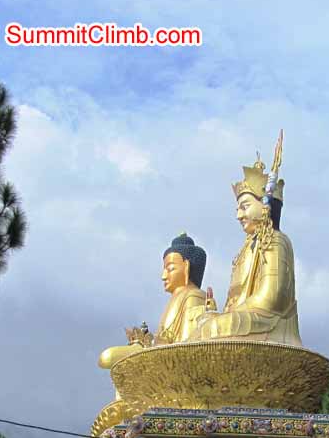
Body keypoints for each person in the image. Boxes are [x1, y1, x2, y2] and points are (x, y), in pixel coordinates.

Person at [194, 132, 302, 347]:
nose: (239, 215)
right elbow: (236, 299)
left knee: (215, 327)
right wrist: (217, 310)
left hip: (269, 322)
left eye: (244, 207)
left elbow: (271, 298)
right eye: (237, 209)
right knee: (204, 322)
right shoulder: (245, 251)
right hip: (245, 318)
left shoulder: (275, 241)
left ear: (265, 207)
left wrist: (228, 316)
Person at [99, 233, 214, 369]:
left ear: (187, 268)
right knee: (108, 357)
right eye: (164, 269)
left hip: (176, 360)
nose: (163, 276)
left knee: (109, 356)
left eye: (170, 269)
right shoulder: (176, 298)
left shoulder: (193, 296)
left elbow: (188, 344)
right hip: (160, 353)